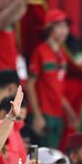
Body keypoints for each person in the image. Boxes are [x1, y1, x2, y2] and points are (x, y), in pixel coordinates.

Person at [25, 9, 72, 147]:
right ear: (50, 28)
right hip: (44, 114)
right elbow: (30, 84)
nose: (65, 31)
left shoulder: (63, 55)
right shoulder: (40, 51)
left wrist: (70, 112)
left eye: (66, 26)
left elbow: (58, 88)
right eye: (60, 26)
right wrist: (38, 116)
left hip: (57, 115)